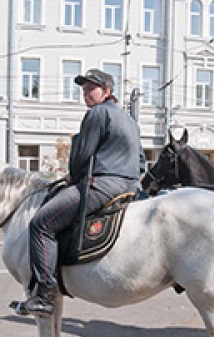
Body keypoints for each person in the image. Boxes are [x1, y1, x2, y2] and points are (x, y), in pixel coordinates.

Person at [22, 69, 141, 317]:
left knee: (41, 223)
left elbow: (82, 155)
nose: (86, 94)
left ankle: (44, 294)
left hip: (103, 185)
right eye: (83, 90)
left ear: (107, 91)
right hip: (129, 186)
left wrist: (73, 177)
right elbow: (140, 162)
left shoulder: (97, 113)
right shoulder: (129, 119)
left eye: (91, 89)